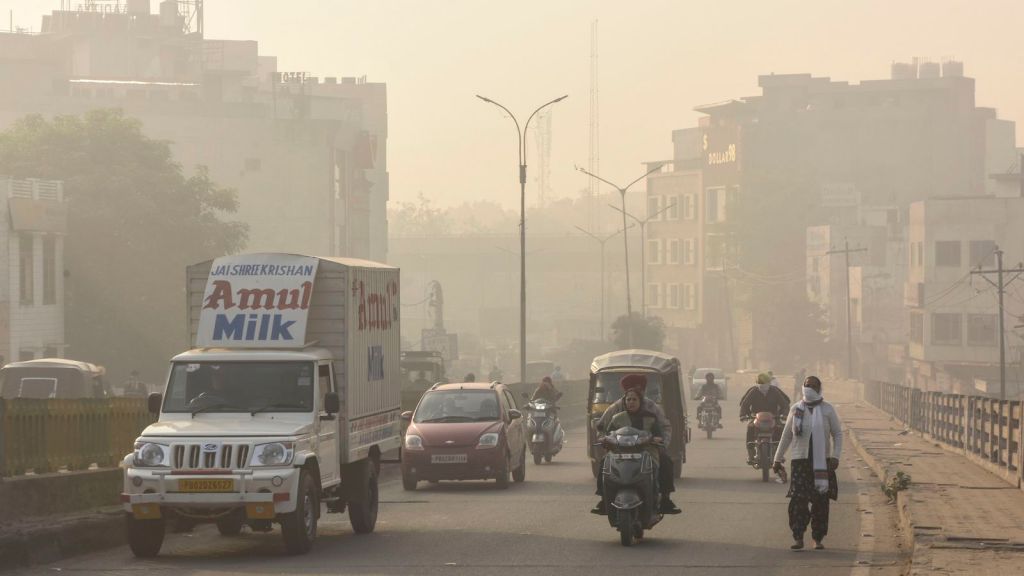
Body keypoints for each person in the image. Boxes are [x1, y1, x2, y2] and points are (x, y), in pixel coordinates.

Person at [592, 374, 681, 515]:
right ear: (625, 393)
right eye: (629, 398)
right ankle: (604, 499)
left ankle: (665, 498)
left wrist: (661, 442)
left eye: (637, 394)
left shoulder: (651, 410)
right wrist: (605, 440)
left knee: (665, 461)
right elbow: (602, 427)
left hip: (647, 448)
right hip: (619, 450)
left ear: (643, 391)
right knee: (604, 463)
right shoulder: (616, 410)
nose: (632, 401)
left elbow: (664, 427)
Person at [773, 376, 843, 551]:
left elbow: (837, 434)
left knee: (820, 501)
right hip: (800, 462)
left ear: (819, 388)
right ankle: (798, 537)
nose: (809, 388)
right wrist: (777, 459)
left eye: (813, 385)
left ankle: (817, 538)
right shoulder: (796, 408)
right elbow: (787, 436)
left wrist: (835, 456)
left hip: (822, 462)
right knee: (798, 501)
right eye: (807, 385)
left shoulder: (827, 409)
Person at [739, 372, 791, 465]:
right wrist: (743, 415)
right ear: (757, 383)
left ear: (769, 382)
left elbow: (785, 404)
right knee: (750, 428)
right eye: (760, 382)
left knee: (780, 429)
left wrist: (784, 414)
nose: (762, 385)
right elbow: (745, 404)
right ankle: (751, 454)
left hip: (773, 417)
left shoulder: (775, 391)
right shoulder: (753, 391)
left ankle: (779, 453)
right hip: (756, 417)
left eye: (764, 383)